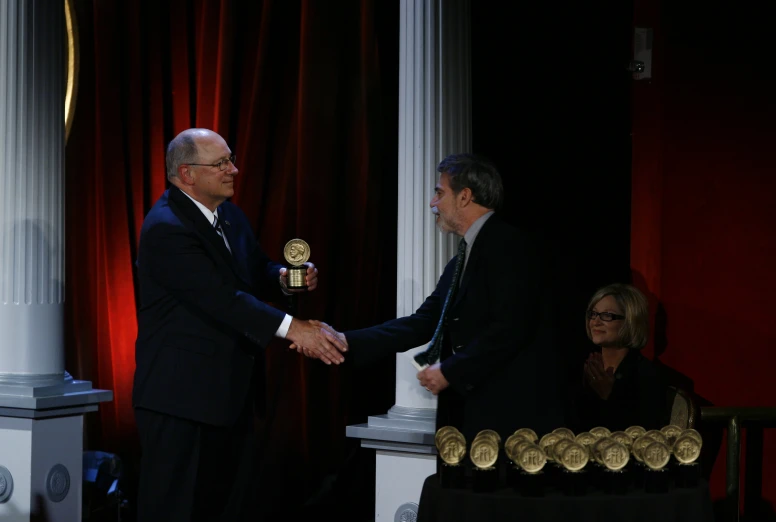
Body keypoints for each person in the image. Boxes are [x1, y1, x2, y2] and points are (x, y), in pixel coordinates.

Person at [132, 128, 347, 522]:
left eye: (230, 159)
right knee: (175, 510)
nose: (234, 169)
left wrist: (282, 277)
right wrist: (294, 328)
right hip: (181, 402)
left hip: (229, 396)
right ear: (187, 174)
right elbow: (222, 299)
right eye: (221, 163)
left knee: (223, 509)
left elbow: (252, 268)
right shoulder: (166, 228)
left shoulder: (228, 214)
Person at [297, 154, 563, 440]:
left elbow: (511, 327)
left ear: (464, 197)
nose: (432, 203)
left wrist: (449, 370)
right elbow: (423, 322)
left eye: (439, 193)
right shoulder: (461, 259)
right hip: (472, 417)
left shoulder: (509, 245)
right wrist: (346, 340)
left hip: (511, 419)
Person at [568, 283, 669, 433]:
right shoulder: (587, 367)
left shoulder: (646, 374)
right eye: (593, 314)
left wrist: (608, 396)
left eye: (607, 316)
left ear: (629, 322)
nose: (595, 322)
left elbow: (642, 435)